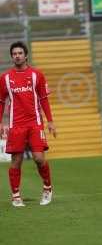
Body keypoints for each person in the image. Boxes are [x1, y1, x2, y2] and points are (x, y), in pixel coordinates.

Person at [0, 41, 56, 207]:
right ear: (12, 56)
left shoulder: (37, 75)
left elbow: (44, 99)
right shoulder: (5, 78)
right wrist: (1, 123)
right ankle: (16, 196)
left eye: (19, 53)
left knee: (39, 158)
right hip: (16, 124)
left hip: (35, 123)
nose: (17, 56)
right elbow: (1, 101)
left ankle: (47, 188)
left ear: (26, 55)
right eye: (14, 53)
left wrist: (50, 121)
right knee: (16, 161)